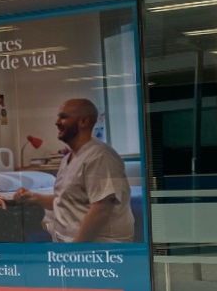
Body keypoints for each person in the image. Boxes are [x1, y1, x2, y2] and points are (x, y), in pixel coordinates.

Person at [15, 99, 134, 243]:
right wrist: (35, 197)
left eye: (63, 117)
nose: (57, 122)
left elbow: (102, 208)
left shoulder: (101, 156)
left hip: (99, 247)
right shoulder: (67, 159)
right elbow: (66, 200)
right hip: (68, 242)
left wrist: (75, 251)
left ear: (83, 121)